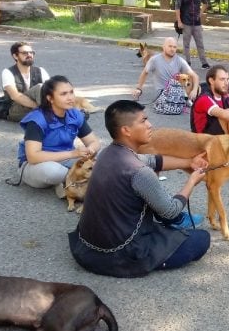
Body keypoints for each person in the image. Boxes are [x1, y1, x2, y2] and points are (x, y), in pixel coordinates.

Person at [68, 100, 211, 278]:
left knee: (160, 215)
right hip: (121, 253)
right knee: (202, 239)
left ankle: (167, 231)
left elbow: (153, 160)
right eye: (143, 121)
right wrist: (191, 181)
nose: (150, 125)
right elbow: (170, 211)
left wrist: (189, 162)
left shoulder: (108, 153)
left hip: (87, 247)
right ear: (126, 130)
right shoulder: (140, 172)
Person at [16, 75, 101, 193]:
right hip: (38, 166)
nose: (70, 97)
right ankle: (75, 183)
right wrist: (73, 153)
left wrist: (90, 151)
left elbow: (94, 142)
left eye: (71, 92)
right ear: (50, 98)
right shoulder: (37, 119)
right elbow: (33, 157)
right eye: (64, 94)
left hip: (67, 161)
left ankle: (70, 183)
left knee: (106, 155)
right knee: (53, 172)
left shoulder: (75, 114)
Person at [132, 37, 200, 102]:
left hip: (176, 90)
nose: (172, 49)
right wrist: (139, 88)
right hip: (162, 93)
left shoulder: (180, 60)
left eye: (174, 47)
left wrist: (194, 90)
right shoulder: (154, 59)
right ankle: (186, 100)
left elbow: (195, 76)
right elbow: (145, 73)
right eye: (170, 46)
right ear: (163, 47)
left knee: (190, 76)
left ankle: (188, 99)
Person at [2, 41, 51, 122]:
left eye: (31, 52)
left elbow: (52, 90)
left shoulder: (40, 70)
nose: (29, 55)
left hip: (39, 108)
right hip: (16, 109)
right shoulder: (7, 72)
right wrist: (39, 107)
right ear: (15, 56)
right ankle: (50, 116)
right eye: (25, 53)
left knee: (52, 88)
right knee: (40, 87)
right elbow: (15, 96)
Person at [175, 0, 210, 68]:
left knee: (200, 44)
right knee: (186, 44)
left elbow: (205, 3)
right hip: (186, 22)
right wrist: (179, 21)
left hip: (197, 23)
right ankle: (187, 62)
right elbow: (177, 7)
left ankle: (204, 63)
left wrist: (201, 13)